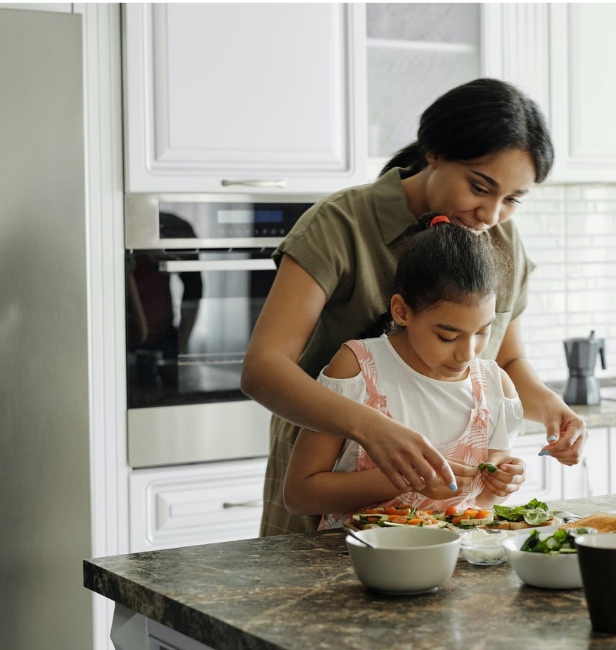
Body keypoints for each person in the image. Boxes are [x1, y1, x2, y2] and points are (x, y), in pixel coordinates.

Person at [241, 78, 588, 536]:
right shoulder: (340, 224)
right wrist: (372, 428)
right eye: (480, 187)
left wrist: (550, 408)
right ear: (435, 153)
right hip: (328, 476)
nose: (491, 214)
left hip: (440, 517)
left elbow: (505, 359)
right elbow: (263, 368)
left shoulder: (499, 238)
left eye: (511, 200)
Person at [284, 214, 526, 528]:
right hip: (355, 563)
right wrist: (407, 479)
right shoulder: (357, 369)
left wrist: (501, 484)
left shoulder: (495, 387)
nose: (467, 353)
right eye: (447, 336)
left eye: (483, 332)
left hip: (454, 563)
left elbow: (481, 503)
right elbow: (300, 495)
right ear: (402, 311)